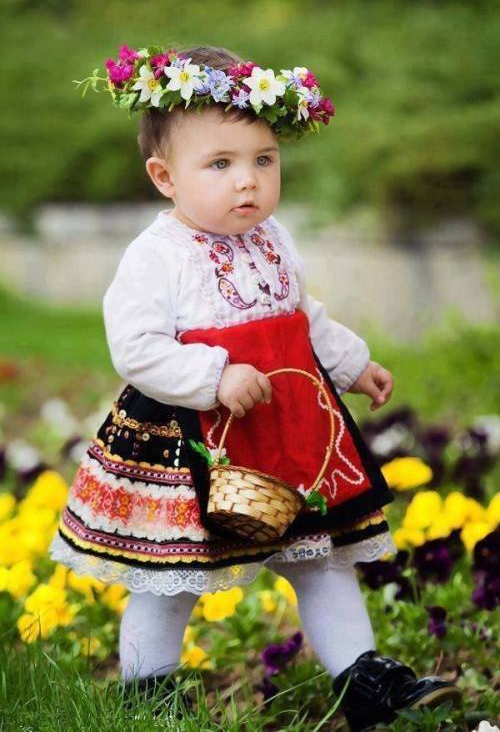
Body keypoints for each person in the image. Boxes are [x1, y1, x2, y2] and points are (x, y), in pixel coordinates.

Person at [49, 43, 461, 731]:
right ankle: (148, 691)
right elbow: (136, 347)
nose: (249, 182)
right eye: (221, 164)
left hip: (289, 429)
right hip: (194, 440)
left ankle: (364, 680)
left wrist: (351, 363)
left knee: (322, 557)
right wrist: (212, 374)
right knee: (172, 576)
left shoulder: (272, 237)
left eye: (263, 161)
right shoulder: (159, 256)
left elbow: (302, 318)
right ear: (164, 177)